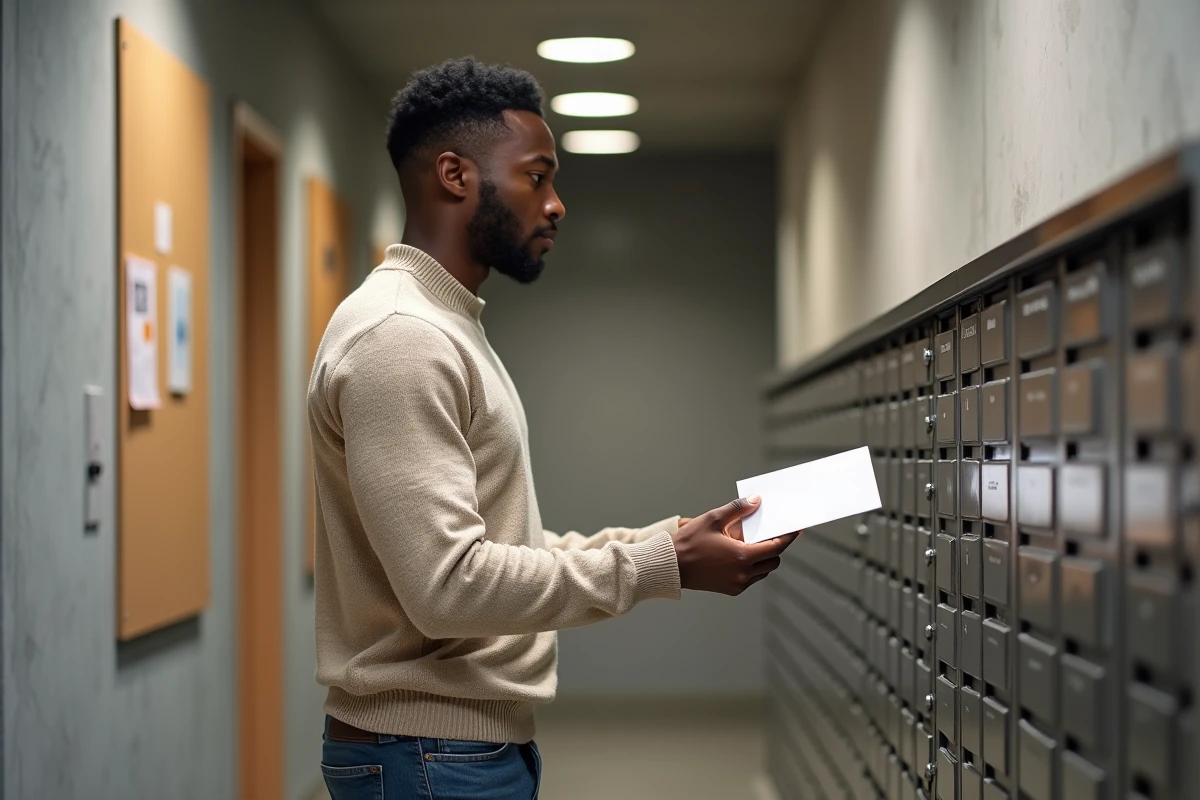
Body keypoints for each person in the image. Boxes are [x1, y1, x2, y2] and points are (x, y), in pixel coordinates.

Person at [308, 56, 800, 800]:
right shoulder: (401, 337)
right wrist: (660, 565)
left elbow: (502, 549)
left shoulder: (444, 324)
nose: (557, 203)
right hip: (428, 754)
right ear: (455, 175)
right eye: (538, 176)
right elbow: (448, 587)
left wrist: (668, 544)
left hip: (454, 748)